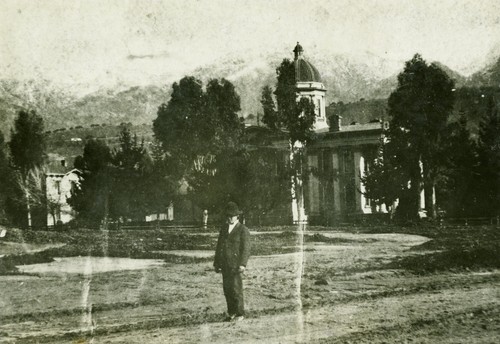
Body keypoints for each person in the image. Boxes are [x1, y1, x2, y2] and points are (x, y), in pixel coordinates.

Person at [214, 201, 251, 322]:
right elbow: (219, 246)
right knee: (227, 289)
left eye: (232, 215)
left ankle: (240, 313)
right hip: (225, 264)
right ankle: (231, 312)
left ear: (237, 216)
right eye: (228, 215)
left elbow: (245, 249)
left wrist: (243, 264)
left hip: (236, 265)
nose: (230, 218)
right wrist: (217, 263)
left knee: (236, 289)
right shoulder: (223, 229)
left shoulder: (242, 230)